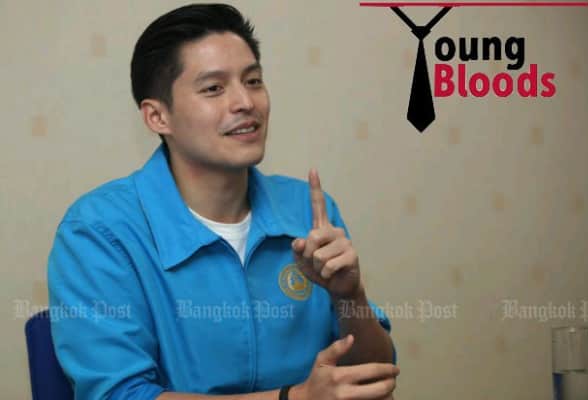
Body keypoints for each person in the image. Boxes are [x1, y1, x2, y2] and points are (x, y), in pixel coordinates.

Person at [47, 4, 398, 400]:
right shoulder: (98, 233)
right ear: (158, 117)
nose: (245, 102)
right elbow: (120, 395)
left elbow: (374, 379)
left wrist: (350, 298)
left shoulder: (308, 210)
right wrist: (295, 398)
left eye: (253, 81)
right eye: (214, 88)